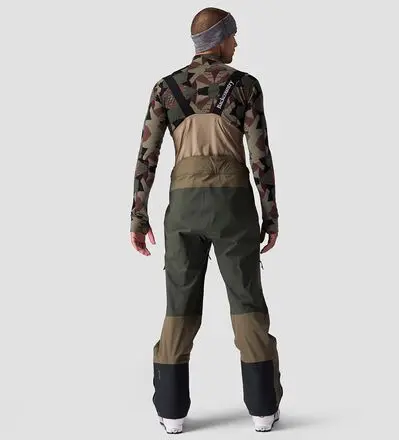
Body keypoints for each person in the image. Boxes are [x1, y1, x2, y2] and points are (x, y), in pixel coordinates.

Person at [130, 7, 283, 434]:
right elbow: (260, 155)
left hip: (183, 207)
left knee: (179, 307)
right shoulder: (245, 86)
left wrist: (138, 216)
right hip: (233, 207)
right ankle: (263, 410)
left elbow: (147, 156)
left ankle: (172, 413)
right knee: (247, 302)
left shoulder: (166, 88)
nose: (236, 43)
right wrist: (270, 214)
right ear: (219, 39)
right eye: (232, 36)